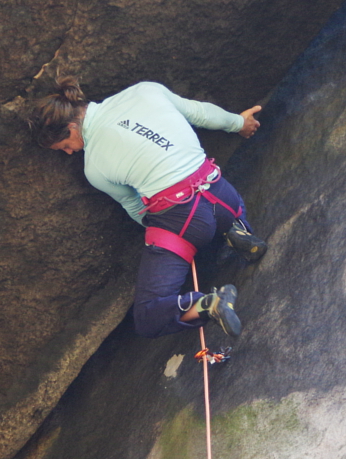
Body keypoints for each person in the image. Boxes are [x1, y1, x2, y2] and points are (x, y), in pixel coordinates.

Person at [29, 77, 267, 339]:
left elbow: (136, 209)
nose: (69, 153)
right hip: (222, 194)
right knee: (219, 203)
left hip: (183, 219)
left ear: (73, 128)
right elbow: (200, 113)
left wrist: (168, 238)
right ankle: (234, 227)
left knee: (147, 316)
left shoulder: (93, 166)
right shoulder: (145, 90)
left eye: (64, 146)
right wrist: (239, 123)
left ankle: (209, 305)